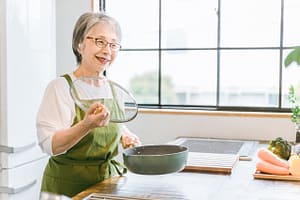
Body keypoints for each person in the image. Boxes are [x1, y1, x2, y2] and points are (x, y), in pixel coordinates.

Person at [36, 12, 141, 197]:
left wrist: (126, 136)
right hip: (65, 188)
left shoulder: (114, 89)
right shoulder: (60, 87)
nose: (107, 50)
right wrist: (86, 125)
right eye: (100, 41)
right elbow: (50, 145)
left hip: (106, 185)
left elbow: (114, 126)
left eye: (113, 44)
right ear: (79, 44)